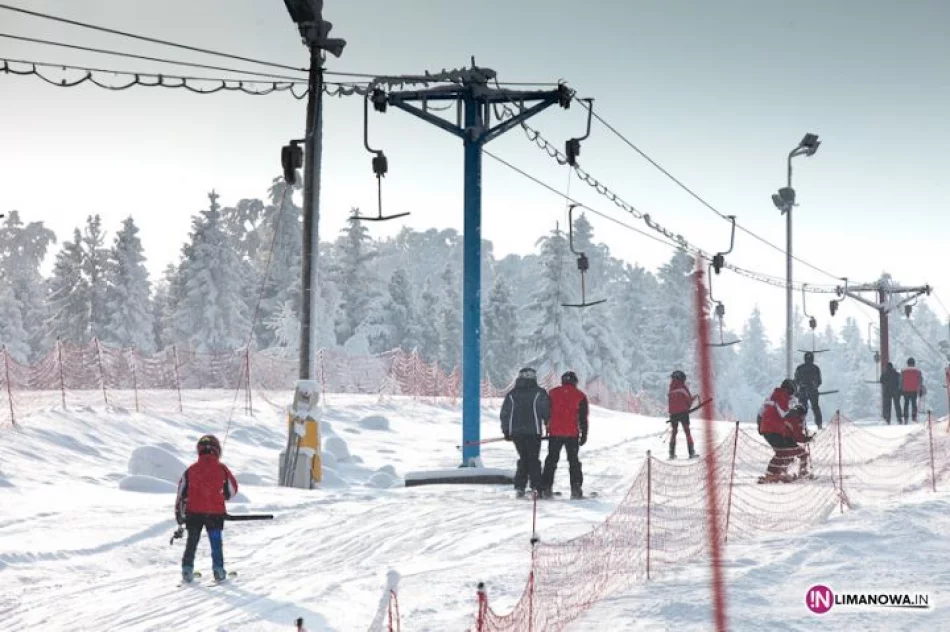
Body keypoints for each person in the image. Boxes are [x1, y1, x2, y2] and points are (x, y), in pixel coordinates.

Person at [175, 434, 239, 583]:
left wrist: (179, 513)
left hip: (194, 513)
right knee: (216, 543)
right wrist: (222, 497)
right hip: (215, 514)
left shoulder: (191, 470)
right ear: (217, 450)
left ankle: (187, 569)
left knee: (192, 542)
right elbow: (232, 489)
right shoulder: (222, 469)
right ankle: (218, 570)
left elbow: (181, 492)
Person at [500, 367, 551, 498]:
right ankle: (536, 486)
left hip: (516, 432)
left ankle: (520, 486)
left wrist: (506, 430)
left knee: (524, 458)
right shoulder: (539, 393)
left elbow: (505, 414)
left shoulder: (512, 394)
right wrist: (548, 425)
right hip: (534, 431)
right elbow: (545, 411)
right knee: (533, 458)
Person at [540, 371, 589, 499]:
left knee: (551, 460)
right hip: (572, 434)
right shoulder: (580, 395)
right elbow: (583, 418)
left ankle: (546, 487)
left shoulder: (552, 393)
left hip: (555, 433)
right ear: (575, 382)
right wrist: (584, 434)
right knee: (573, 461)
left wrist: (547, 425)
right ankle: (576, 488)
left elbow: (546, 412)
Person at [757, 379, 811, 483]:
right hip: (772, 428)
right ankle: (772, 474)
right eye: (792, 391)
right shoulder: (781, 395)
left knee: (784, 452)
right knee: (782, 452)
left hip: (771, 428)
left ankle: (779, 472)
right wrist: (793, 412)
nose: (792, 395)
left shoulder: (776, 395)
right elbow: (783, 413)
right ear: (789, 389)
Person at [668, 370, 698, 459]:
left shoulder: (671, 389)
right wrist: (694, 398)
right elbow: (688, 402)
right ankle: (691, 452)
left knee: (674, 432)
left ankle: (671, 453)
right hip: (683, 413)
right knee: (687, 432)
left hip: (673, 414)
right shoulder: (683, 388)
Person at [794, 351, 823, 429]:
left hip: (802, 391)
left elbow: (796, 380)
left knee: (801, 408)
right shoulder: (816, 368)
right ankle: (819, 425)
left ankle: (799, 425)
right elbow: (820, 381)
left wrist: (798, 390)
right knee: (815, 408)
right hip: (813, 391)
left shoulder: (799, 368)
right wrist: (814, 386)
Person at [900, 357, 924, 424]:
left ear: (907, 363)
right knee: (914, 404)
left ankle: (906, 418)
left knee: (906, 403)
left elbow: (901, 380)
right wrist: (920, 389)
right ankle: (914, 417)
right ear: (914, 363)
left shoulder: (903, 370)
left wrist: (901, 389)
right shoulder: (918, 371)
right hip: (914, 390)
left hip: (905, 390)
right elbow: (920, 380)